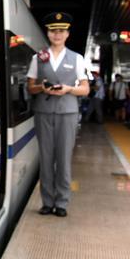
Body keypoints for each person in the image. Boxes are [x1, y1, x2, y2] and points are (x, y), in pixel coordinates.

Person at [27, 12, 90, 217]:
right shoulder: (38, 58)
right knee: (46, 158)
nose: (57, 34)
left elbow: (85, 89)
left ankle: (61, 202)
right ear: (48, 33)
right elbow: (30, 87)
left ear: (67, 34)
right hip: (43, 112)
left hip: (67, 112)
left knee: (63, 158)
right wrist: (42, 88)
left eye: (61, 31)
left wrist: (68, 89)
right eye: (53, 31)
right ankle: (47, 201)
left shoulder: (76, 58)